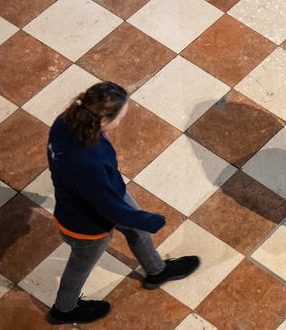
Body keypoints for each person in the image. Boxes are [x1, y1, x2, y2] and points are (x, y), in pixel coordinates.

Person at [46, 82, 200, 325]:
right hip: (86, 225)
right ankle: (63, 310)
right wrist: (151, 220)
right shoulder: (89, 162)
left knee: (136, 229)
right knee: (80, 267)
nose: (120, 122)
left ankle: (156, 271)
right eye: (119, 117)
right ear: (103, 120)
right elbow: (111, 210)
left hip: (95, 194)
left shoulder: (65, 120)